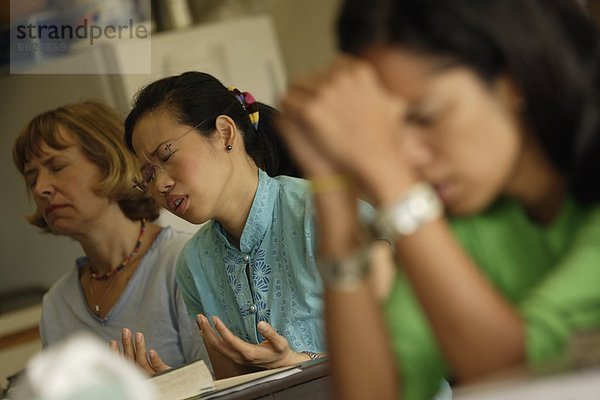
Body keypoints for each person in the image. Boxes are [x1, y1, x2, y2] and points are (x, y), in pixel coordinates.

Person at [278, 0, 600, 399]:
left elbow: (519, 376)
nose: (407, 156)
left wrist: (395, 186)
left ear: (511, 79)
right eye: (389, 131)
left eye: (426, 117)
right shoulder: (472, 221)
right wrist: (332, 195)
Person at [123, 71, 326, 378]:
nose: (161, 184)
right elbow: (236, 386)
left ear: (225, 133)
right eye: (149, 175)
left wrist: (301, 361)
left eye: (166, 155)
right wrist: (177, 389)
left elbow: (405, 351)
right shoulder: (193, 264)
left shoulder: (320, 215)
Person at [12, 100, 209, 375]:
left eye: (56, 167)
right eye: (32, 178)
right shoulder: (57, 304)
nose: (41, 188)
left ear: (109, 161)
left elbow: (223, 387)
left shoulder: (183, 260)